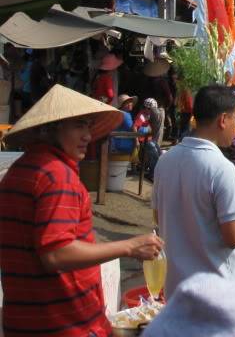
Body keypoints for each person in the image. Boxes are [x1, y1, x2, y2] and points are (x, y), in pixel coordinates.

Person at [0, 85, 163, 337]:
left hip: (26, 320)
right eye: (78, 126)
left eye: (88, 126)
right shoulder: (56, 175)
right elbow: (56, 253)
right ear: (50, 129)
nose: (87, 135)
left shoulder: (19, 171)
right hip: (64, 323)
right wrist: (130, 247)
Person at [153, 85, 235, 297]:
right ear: (223, 120)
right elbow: (234, 236)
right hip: (218, 290)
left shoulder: (165, 160)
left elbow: (159, 216)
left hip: (178, 287)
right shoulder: (221, 167)